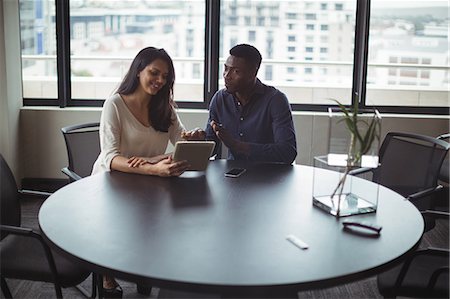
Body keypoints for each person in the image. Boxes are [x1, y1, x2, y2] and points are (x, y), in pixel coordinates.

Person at [91, 47, 190, 297]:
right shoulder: (115, 104)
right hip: (113, 181)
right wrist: (154, 167)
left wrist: (193, 138)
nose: (159, 80)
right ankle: (107, 275)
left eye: (165, 76)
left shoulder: (164, 107)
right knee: (119, 225)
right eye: (154, 73)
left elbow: (181, 141)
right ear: (138, 71)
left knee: (161, 220)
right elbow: (111, 157)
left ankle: (143, 269)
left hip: (148, 179)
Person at [184, 44, 297, 164]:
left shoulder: (275, 100)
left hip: (268, 175)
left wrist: (237, 145)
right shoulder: (220, 99)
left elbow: (288, 152)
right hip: (231, 174)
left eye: (236, 71)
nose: (227, 76)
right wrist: (199, 142)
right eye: (226, 68)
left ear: (253, 73)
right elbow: (212, 149)